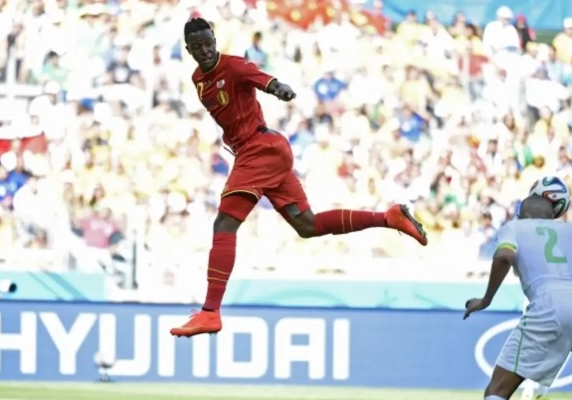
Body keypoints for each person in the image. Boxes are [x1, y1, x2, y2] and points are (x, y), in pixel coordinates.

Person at [169, 18, 428, 338]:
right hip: (264, 153)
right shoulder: (198, 79)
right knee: (307, 225)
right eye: (198, 47)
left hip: (259, 149)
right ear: (189, 50)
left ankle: (210, 312)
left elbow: (260, 78)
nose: (206, 51)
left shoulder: (233, 66)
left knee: (224, 224)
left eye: (209, 43)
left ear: (215, 40)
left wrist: (278, 88)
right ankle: (388, 218)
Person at [464, 195, 572, 400]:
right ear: (552, 214)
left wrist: (486, 300)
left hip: (547, 305)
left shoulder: (513, 228)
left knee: (497, 390)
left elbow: (504, 256)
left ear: (521, 214)